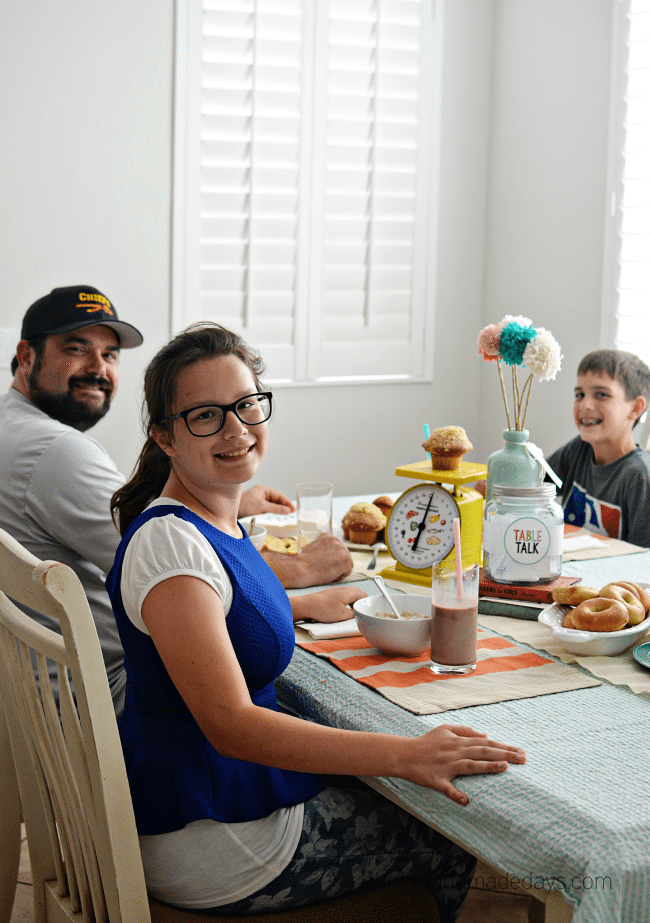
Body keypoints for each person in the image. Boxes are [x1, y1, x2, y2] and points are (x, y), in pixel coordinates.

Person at [106, 322, 526, 921]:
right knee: (452, 831)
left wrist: (301, 604)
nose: (235, 429)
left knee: (395, 781)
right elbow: (231, 725)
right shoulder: (170, 547)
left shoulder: (211, 521)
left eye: (247, 405)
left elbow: (221, 609)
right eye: (205, 416)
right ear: (164, 436)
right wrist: (407, 754)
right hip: (212, 836)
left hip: (208, 800)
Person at [0, 286, 354, 717]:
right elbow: (179, 570)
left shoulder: (12, 430)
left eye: (110, 355)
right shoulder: (56, 453)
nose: (98, 368)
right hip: (108, 706)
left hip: (36, 696)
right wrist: (303, 571)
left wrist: (231, 504)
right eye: (77, 349)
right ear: (26, 356)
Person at [545, 349, 650, 547]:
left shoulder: (639, 476)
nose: (585, 405)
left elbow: (645, 562)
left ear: (636, 408)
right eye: (579, 394)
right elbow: (533, 483)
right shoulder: (579, 449)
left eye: (601, 394)